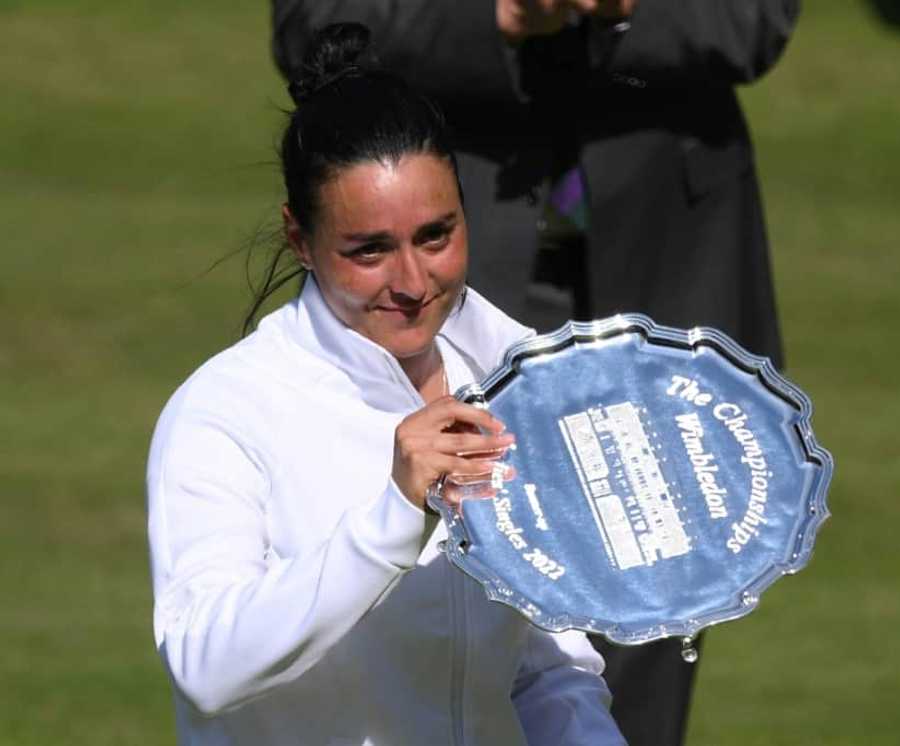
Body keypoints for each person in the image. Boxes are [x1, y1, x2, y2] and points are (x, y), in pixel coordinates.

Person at [271, 4, 797, 743]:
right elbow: (317, 24)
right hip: (441, 284)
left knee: (648, 640)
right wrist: (496, 14)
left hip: (668, 266)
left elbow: (752, 17)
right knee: (443, 639)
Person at [145, 23, 624, 745]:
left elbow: (546, 666)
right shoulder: (225, 413)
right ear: (299, 239)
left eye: (437, 235)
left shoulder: (521, 377)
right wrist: (396, 510)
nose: (411, 283)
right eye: (369, 250)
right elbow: (205, 663)